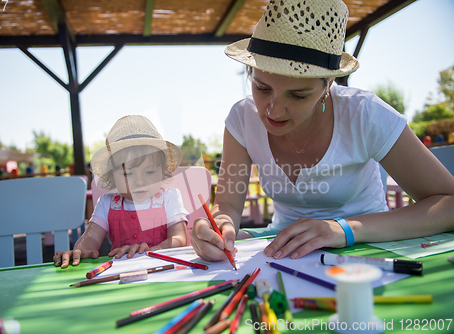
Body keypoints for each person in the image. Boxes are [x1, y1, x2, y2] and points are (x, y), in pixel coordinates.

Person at [190, 0, 454, 263]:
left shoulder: (366, 114)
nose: (274, 111)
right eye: (262, 88)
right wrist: (218, 224)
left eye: (297, 95)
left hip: (369, 247)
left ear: (328, 85)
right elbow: (228, 205)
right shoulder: (242, 119)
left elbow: (449, 204)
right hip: (283, 250)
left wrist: (344, 229)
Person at [54, 115, 189, 268]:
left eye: (149, 172)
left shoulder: (169, 197)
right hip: (119, 277)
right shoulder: (107, 203)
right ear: (111, 175)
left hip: (164, 272)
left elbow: (178, 239)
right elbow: (90, 237)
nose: (139, 182)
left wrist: (149, 252)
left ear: (163, 170)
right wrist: (79, 251)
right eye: (127, 174)